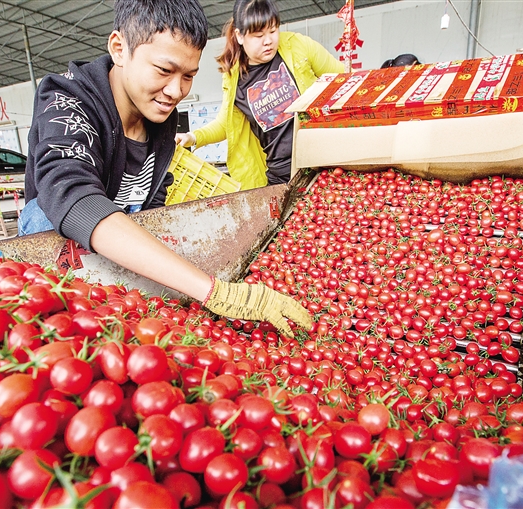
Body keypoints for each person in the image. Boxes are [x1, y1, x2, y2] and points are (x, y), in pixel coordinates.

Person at [19, 0, 312, 337]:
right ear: (119, 48)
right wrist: (213, 291)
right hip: (58, 270)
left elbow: (152, 204)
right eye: (163, 70)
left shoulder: (160, 119)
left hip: (120, 280)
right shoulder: (66, 99)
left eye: (188, 76)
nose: (176, 91)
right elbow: (72, 196)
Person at [175, 0, 344, 190]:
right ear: (239, 36)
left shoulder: (298, 46)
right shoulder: (234, 79)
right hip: (281, 176)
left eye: (273, 31)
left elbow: (343, 80)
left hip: (322, 164)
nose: (268, 41)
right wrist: (193, 137)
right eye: (258, 35)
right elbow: (225, 124)